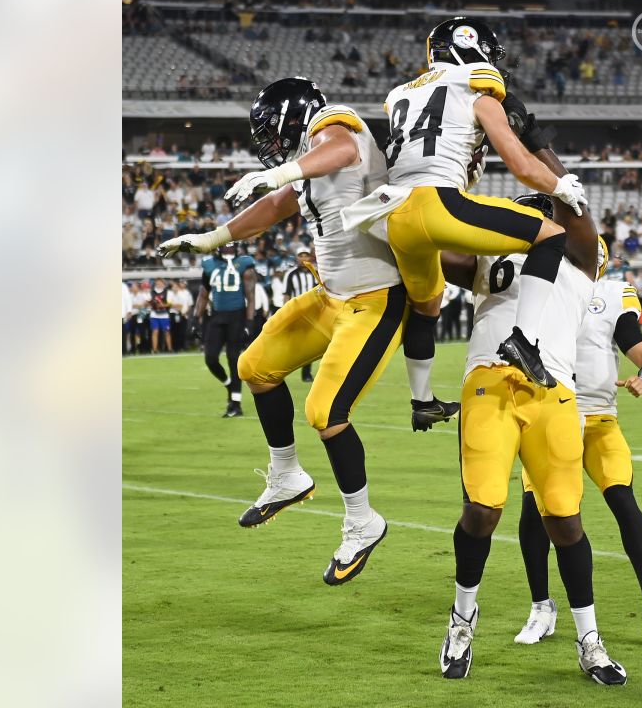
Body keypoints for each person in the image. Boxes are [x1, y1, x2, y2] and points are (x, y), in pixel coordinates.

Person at [161, 78, 458, 586]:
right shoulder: (303, 164)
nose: (267, 144)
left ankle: (363, 521)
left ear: (291, 117)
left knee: (324, 410)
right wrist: (213, 238)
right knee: (254, 366)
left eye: (269, 132)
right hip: (331, 297)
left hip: (376, 299)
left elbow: (341, 149)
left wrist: (282, 170)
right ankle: (286, 475)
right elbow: (278, 206)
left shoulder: (335, 125)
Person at [434, 138, 626, 685]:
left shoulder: (580, 255)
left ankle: (590, 642)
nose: (536, 216)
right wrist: (451, 190)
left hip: (555, 392)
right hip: (490, 381)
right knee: (484, 510)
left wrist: (541, 152)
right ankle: (462, 622)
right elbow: (441, 248)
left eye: (541, 209)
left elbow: (578, 215)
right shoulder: (492, 253)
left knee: (565, 520)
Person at [341, 17, 589, 394]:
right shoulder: (478, 92)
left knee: (426, 304)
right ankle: (523, 340)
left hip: (393, 215)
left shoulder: (400, 95)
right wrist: (560, 186)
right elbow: (521, 167)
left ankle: (421, 399)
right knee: (551, 237)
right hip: (436, 205)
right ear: (469, 46)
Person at [514, 236, 642, 647]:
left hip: (599, 420)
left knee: (622, 498)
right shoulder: (543, 288)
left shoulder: (610, 294)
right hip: (552, 417)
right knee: (535, 513)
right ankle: (541, 607)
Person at [196, 244, 257, 417]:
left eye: (232, 248)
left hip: (237, 316)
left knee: (233, 358)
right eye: (226, 248)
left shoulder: (244, 264)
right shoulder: (209, 265)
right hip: (216, 316)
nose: (229, 251)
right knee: (210, 358)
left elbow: (251, 297)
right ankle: (229, 384)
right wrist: (195, 318)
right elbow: (203, 294)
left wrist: (250, 322)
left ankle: (235, 404)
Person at [283, 247, 320, 382]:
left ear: (310, 257)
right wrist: (286, 313)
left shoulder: (316, 272)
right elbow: (286, 294)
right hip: (296, 312)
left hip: (313, 313)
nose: (303, 258)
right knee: (293, 343)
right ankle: (282, 369)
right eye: (301, 255)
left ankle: (306, 373)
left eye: (306, 255)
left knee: (309, 344)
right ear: (296, 258)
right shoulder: (291, 274)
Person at [149, 279, 173, 353]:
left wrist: (163, 305)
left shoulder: (168, 292)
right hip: (154, 315)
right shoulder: (151, 292)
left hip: (164, 315)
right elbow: (148, 301)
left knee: (166, 332)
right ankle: (154, 349)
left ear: (163, 284)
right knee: (155, 332)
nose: (159, 284)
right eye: (157, 283)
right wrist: (153, 304)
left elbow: (170, 303)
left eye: (160, 283)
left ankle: (169, 349)